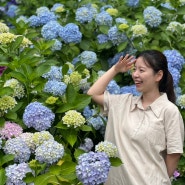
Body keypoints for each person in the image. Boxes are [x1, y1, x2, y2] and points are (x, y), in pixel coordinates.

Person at [87, 50, 184, 185]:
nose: (135, 75)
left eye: (141, 70)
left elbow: (174, 154)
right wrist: (115, 69)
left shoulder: (169, 111)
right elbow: (92, 93)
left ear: (158, 75)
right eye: (135, 69)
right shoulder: (122, 103)